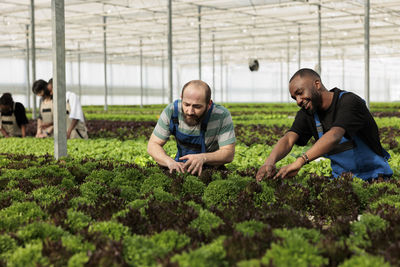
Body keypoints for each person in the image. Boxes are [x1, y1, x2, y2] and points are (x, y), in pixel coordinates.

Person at [256, 68, 392, 182]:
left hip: (375, 177)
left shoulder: (349, 102)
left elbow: (334, 135)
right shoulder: (308, 112)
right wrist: (269, 162)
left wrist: (300, 161)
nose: (298, 101)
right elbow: (289, 138)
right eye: (294, 98)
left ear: (317, 84)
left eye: (300, 93)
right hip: (342, 181)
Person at [147, 80, 236, 176]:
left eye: (197, 107)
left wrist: (203, 158)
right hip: (181, 168)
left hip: (211, 171)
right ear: (181, 99)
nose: (190, 111)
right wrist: (169, 162)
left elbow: (228, 153)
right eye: (186, 104)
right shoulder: (172, 112)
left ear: (209, 104)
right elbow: (153, 145)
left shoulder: (221, 116)